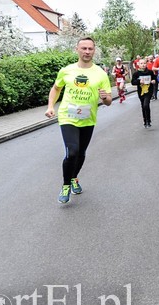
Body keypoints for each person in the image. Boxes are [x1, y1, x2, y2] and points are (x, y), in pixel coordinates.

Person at [45, 37, 112, 204]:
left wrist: (105, 97)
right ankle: (66, 185)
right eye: (84, 48)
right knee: (73, 151)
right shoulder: (67, 70)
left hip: (88, 118)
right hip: (68, 116)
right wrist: (50, 106)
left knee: (81, 153)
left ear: (94, 51)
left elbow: (108, 101)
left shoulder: (100, 74)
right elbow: (56, 88)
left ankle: (74, 177)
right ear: (77, 50)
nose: (87, 52)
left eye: (90, 49)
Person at [131, 57, 155, 128]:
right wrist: (139, 81)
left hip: (149, 91)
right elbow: (133, 82)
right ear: (138, 64)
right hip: (141, 92)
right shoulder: (136, 73)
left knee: (146, 105)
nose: (143, 65)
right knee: (143, 106)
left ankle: (148, 120)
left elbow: (154, 78)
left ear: (146, 64)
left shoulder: (150, 72)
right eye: (141, 63)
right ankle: (145, 121)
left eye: (144, 63)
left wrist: (153, 81)